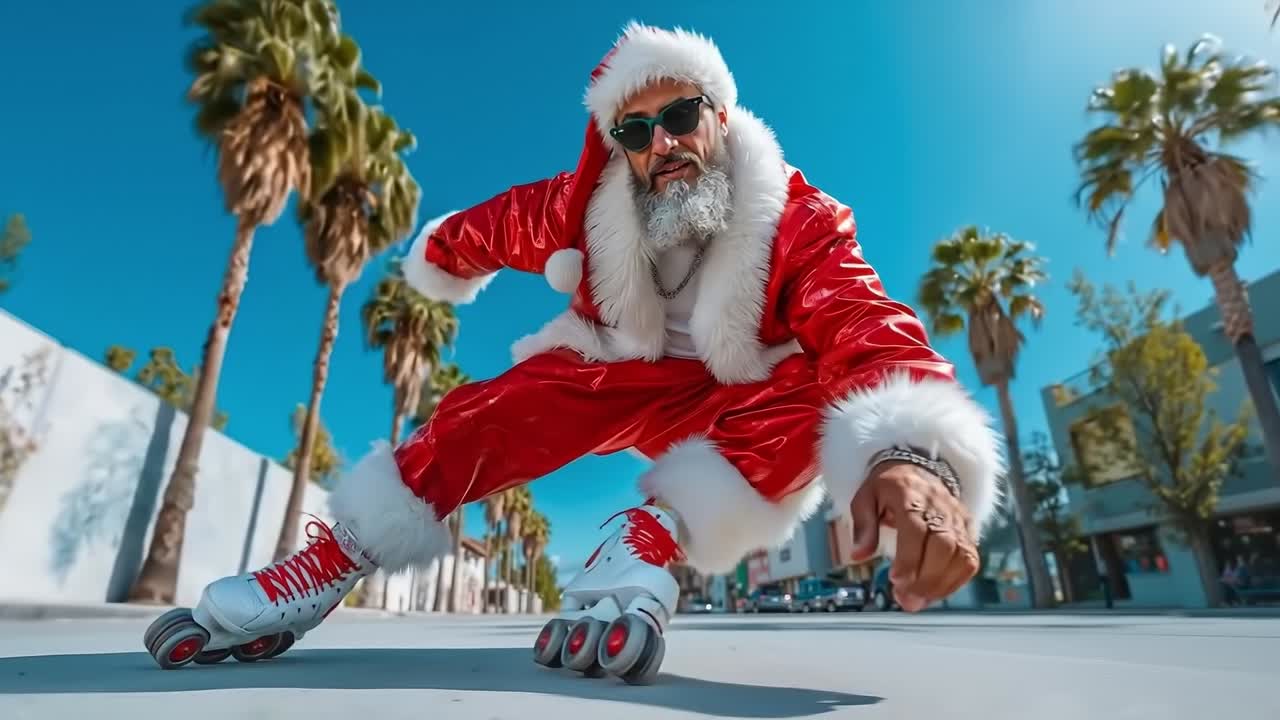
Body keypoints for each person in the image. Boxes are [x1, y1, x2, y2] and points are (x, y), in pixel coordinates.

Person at [145, 22, 1003, 678]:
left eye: (678, 117)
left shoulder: (797, 218)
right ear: (616, 149)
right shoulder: (582, 208)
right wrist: (440, 256)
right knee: (491, 409)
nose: (661, 145)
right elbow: (495, 223)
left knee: (824, 382)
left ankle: (650, 533)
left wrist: (909, 453)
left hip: (745, 401)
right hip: (617, 374)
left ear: (718, 116)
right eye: (636, 133)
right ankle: (332, 560)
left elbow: (860, 316)